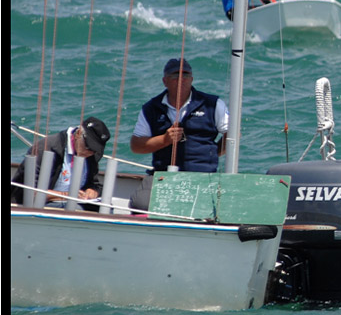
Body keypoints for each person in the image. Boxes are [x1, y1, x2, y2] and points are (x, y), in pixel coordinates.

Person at [128, 58, 229, 209]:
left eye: (186, 75)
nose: (181, 79)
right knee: (140, 204)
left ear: (192, 79)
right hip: (163, 175)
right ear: (165, 81)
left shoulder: (213, 104)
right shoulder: (151, 108)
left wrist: (213, 152)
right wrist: (164, 140)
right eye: (175, 76)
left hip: (203, 177)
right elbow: (136, 146)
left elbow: (232, 135)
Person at [11, 117, 110, 206]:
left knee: (107, 208)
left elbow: (95, 184)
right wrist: (66, 195)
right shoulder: (46, 148)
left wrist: (92, 191)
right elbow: (30, 191)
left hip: (73, 202)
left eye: (95, 150)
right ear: (78, 133)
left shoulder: (91, 154)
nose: (90, 153)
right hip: (42, 203)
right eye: (88, 147)